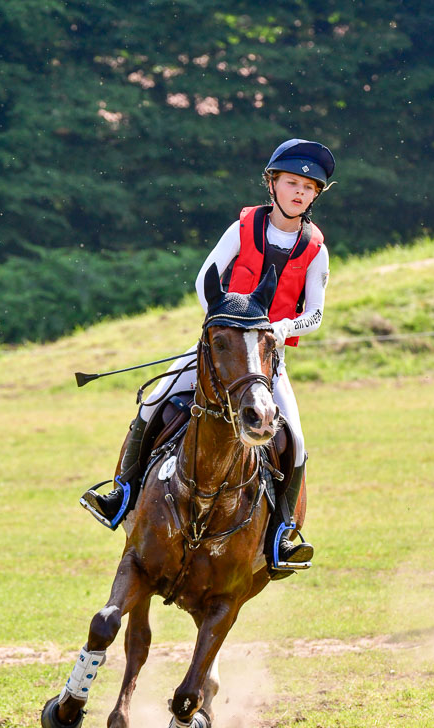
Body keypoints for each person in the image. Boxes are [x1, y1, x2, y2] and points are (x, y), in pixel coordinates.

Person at [81, 138, 335, 575]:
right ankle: (121, 494)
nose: (299, 192)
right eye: (291, 183)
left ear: (315, 196)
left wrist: (284, 327)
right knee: (152, 403)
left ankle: (281, 535)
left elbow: (315, 313)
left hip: (267, 360)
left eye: (309, 188)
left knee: (294, 441)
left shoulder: (315, 248)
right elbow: (205, 280)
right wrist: (226, 321)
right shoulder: (242, 228)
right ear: (272, 184)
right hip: (219, 348)